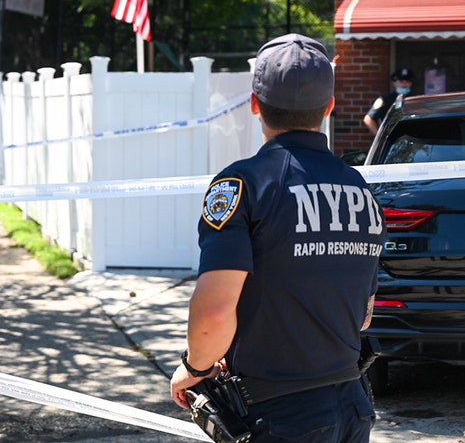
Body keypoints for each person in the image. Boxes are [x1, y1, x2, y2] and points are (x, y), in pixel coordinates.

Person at [170, 33, 387, 442]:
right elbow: (363, 316)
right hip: (352, 406)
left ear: (254, 104)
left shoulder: (243, 185)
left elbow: (215, 311)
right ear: (329, 107)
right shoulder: (361, 192)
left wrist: (195, 368)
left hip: (279, 414)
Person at [362, 67, 414, 134]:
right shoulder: (384, 100)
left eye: (407, 82)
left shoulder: (416, 99)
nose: (404, 84)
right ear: (394, 83)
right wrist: (380, 137)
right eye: (401, 82)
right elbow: (368, 119)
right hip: (391, 139)